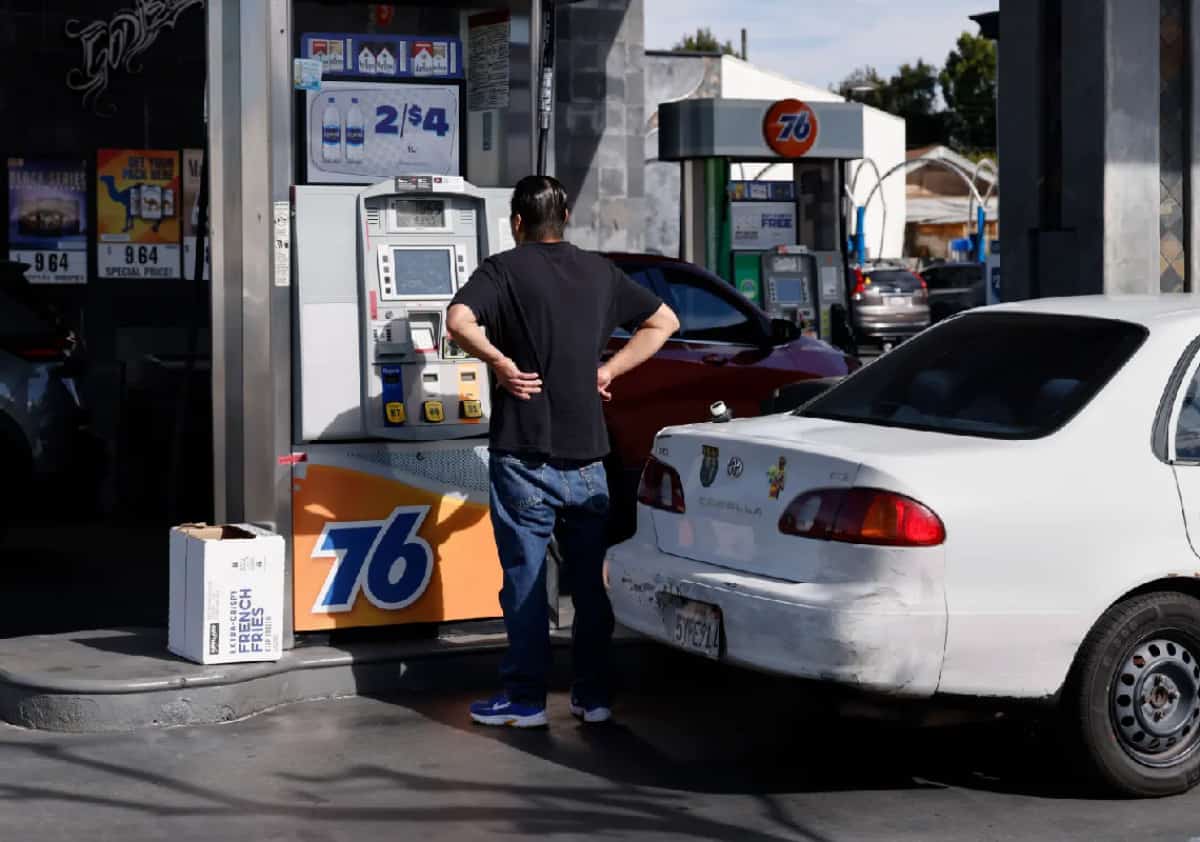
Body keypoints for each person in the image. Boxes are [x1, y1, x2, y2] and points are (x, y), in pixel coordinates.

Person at [446, 175, 679, 728]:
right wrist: (611, 369)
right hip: (590, 455)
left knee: (525, 577)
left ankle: (525, 699)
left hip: (524, 451)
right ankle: (592, 696)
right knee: (589, 581)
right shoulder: (600, 271)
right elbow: (664, 321)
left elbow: (458, 320)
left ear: (517, 222)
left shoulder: (501, 269)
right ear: (567, 215)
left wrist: (500, 364)